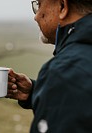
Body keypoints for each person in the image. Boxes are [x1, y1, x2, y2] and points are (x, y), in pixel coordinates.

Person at [6, 0, 92, 132]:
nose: (36, 16)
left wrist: (57, 85)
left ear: (63, 6)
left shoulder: (64, 72)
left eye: (39, 5)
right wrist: (35, 93)